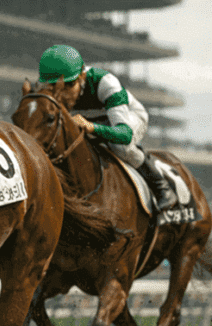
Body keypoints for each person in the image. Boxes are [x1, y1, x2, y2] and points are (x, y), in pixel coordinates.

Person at [37, 44, 178, 211]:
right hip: (95, 122)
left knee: (120, 147)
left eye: (69, 85)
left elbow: (124, 134)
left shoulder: (106, 83)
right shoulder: (48, 93)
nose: (63, 95)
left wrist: (93, 128)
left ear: (82, 76)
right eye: (55, 87)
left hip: (129, 119)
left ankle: (161, 186)